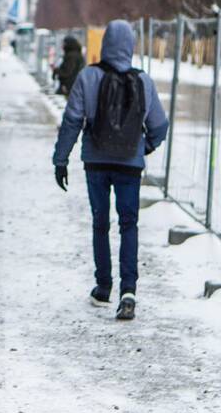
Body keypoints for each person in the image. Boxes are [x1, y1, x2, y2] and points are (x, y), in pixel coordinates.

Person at [51, 20, 168, 321]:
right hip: (130, 163)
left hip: (96, 161)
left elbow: (72, 119)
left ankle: (103, 285)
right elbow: (159, 124)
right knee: (129, 224)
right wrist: (145, 147)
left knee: (99, 222)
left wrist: (61, 158)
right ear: (131, 45)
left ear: (104, 43)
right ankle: (128, 290)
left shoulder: (88, 76)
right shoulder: (143, 80)